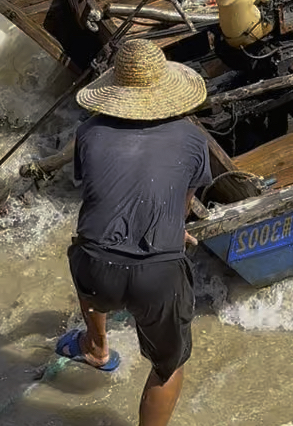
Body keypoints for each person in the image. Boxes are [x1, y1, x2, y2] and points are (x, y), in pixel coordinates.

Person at [56, 39, 210, 426]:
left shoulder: (89, 133)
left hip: (95, 268)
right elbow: (182, 203)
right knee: (168, 365)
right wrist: (176, 232)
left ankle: (95, 346)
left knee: (82, 252)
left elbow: (97, 192)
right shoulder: (193, 139)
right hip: (158, 276)